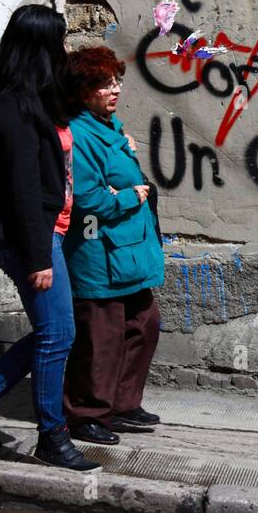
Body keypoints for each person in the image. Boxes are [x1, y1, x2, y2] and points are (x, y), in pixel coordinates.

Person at [0, 4, 98, 471]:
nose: (64, 48)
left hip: (47, 231)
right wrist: (38, 257)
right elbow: (23, 188)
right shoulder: (11, 103)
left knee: (56, 332)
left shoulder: (37, 92)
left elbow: (70, 114)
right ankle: (52, 437)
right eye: (59, 40)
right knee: (58, 333)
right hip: (28, 235)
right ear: (40, 46)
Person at [61, 46, 164, 444]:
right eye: (104, 84)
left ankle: (123, 403)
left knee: (145, 322)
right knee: (100, 338)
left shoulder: (109, 124)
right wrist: (128, 196)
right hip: (98, 252)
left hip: (128, 249)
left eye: (116, 81)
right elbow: (88, 198)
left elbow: (113, 176)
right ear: (83, 90)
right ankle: (87, 414)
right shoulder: (80, 134)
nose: (114, 89)